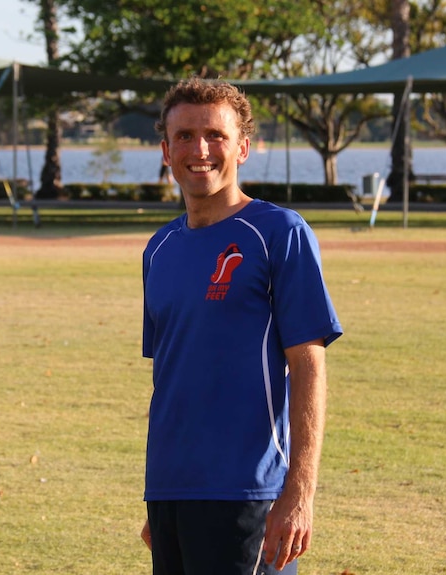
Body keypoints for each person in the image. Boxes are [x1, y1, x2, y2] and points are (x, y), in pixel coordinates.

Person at [139, 77, 343, 575]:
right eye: (184, 136)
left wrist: (299, 493)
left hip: (248, 492)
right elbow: (171, 377)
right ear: (166, 151)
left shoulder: (280, 233)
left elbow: (308, 366)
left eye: (216, 135)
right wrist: (163, 495)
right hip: (171, 493)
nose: (199, 149)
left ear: (244, 148)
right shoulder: (158, 249)